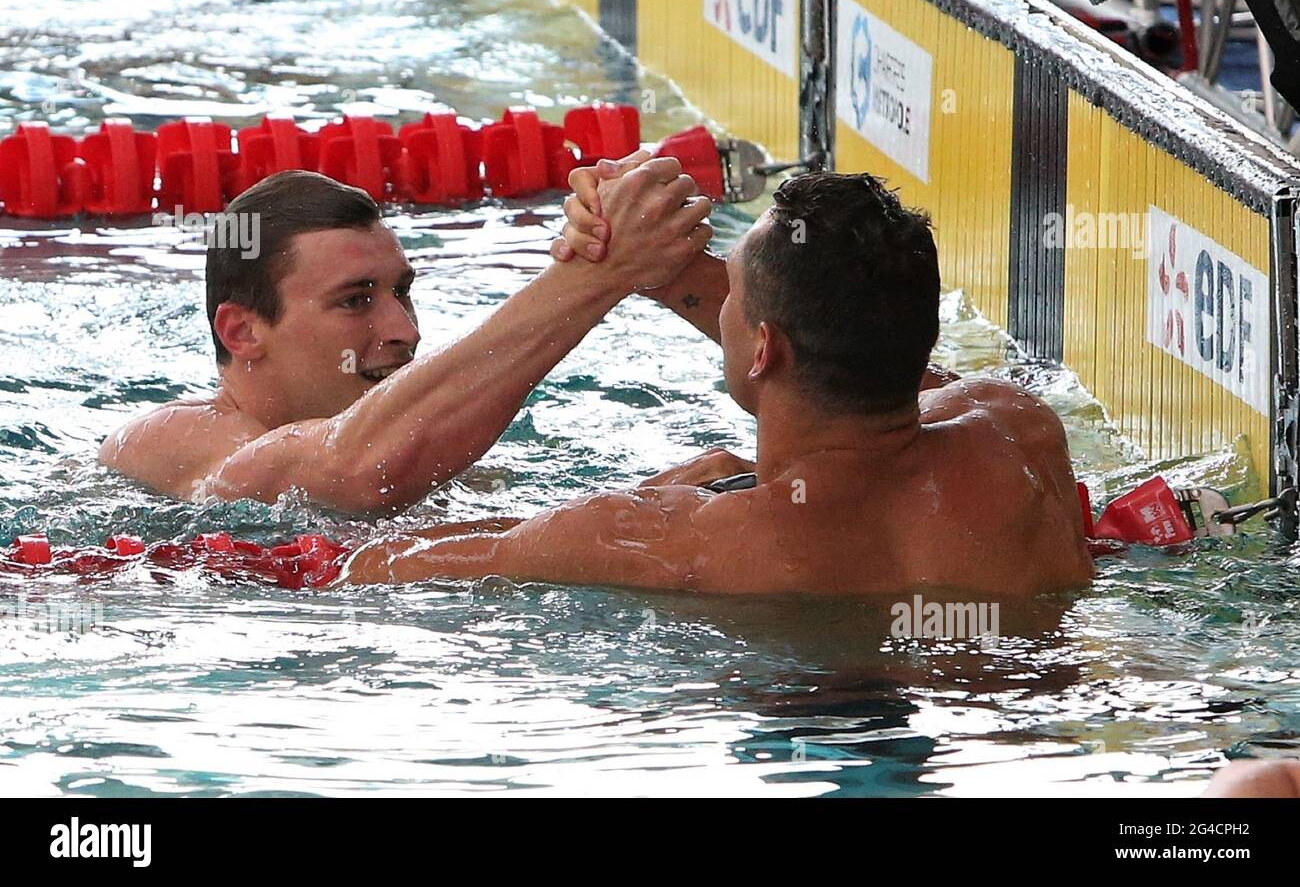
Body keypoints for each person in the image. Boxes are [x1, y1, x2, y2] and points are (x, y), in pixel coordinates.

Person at [340, 170, 1095, 596]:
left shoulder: (680, 537)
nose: (717, 300)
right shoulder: (1017, 429)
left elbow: (378, 565)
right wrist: (662, 270)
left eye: (728, 290)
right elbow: (880, 348)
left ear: (762, 349)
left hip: (796, 710)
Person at [98, 164, 720, 514]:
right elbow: (349, 472)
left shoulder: (435, 460)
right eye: (355, 300)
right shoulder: (167, 443)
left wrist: (649, 502)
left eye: (402, 291)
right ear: (242, 331)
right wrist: (595, 275)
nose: (406, 331)